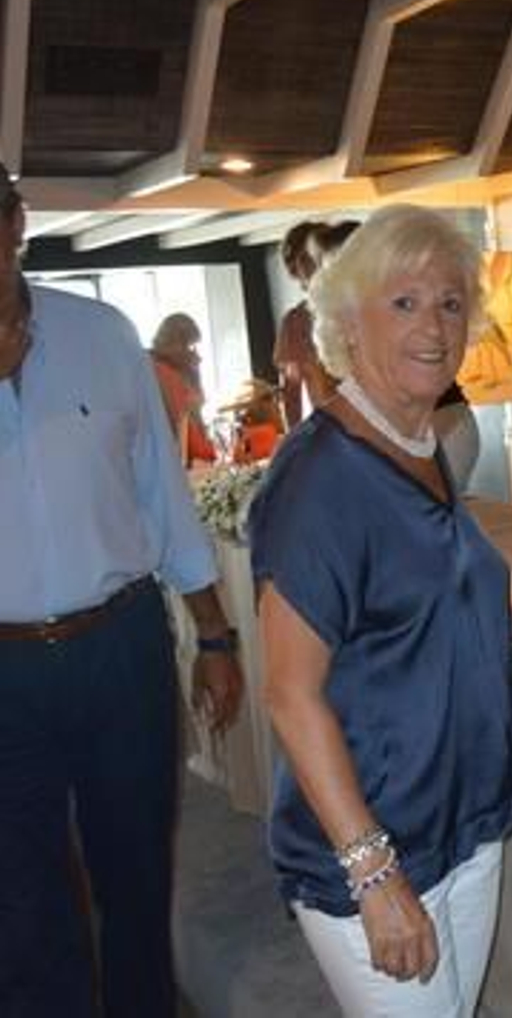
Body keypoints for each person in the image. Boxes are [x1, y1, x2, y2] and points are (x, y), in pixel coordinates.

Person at [250, 203, 512, 1016]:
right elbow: (290, 695)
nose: (433, 326)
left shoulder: (417, 439)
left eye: (448, 302)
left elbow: (421, 600)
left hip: (464, 826)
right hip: (373, 846)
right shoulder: (317, 480)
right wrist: (373, 873)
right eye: (402, 303)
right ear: (346, 321)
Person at [0, 163, 244, 1016]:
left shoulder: (103, 336)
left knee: (137, 875)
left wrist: (214, 634)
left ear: (16, 224)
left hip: (121, 647)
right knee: (20, 907)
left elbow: (163, 500)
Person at [273, 220, 344, 427]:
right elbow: (291, 390)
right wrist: (294, 440)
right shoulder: (295, 322)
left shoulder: (361, 304)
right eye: (305, 259)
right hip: (338, 434)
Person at [149, 310, 218, 466]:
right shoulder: (162, 372)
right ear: (175, 343)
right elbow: (185, 419)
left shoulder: (174, 368)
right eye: (190, 345)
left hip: (183, 459)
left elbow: (197, 407)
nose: (194, 352)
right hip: (180, 461)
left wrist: (195, 373)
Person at [219, 377, 285, 463]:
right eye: (269, 398)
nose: (276, 403)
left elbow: (245, 457)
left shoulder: (245, 437)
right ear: (259, 407)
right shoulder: (264, 433)